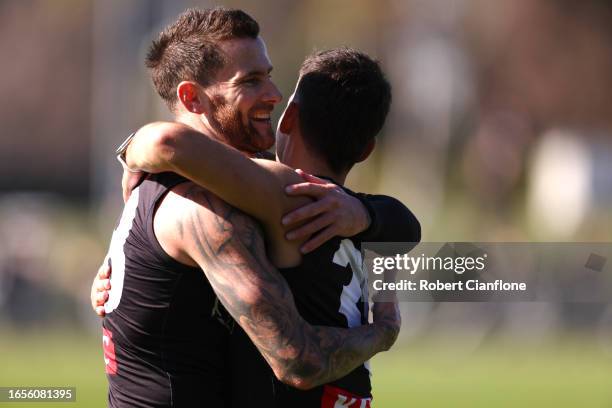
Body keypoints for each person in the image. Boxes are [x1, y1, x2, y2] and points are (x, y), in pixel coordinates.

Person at [93, 8, 413, 408]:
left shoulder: (228, 186)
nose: (274, 94)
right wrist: (382, 332)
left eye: (269, 74)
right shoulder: (200, 209)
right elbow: (298, 360)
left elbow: (396, 222)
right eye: (251, 81)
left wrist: (367, 215)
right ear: (192, 98)